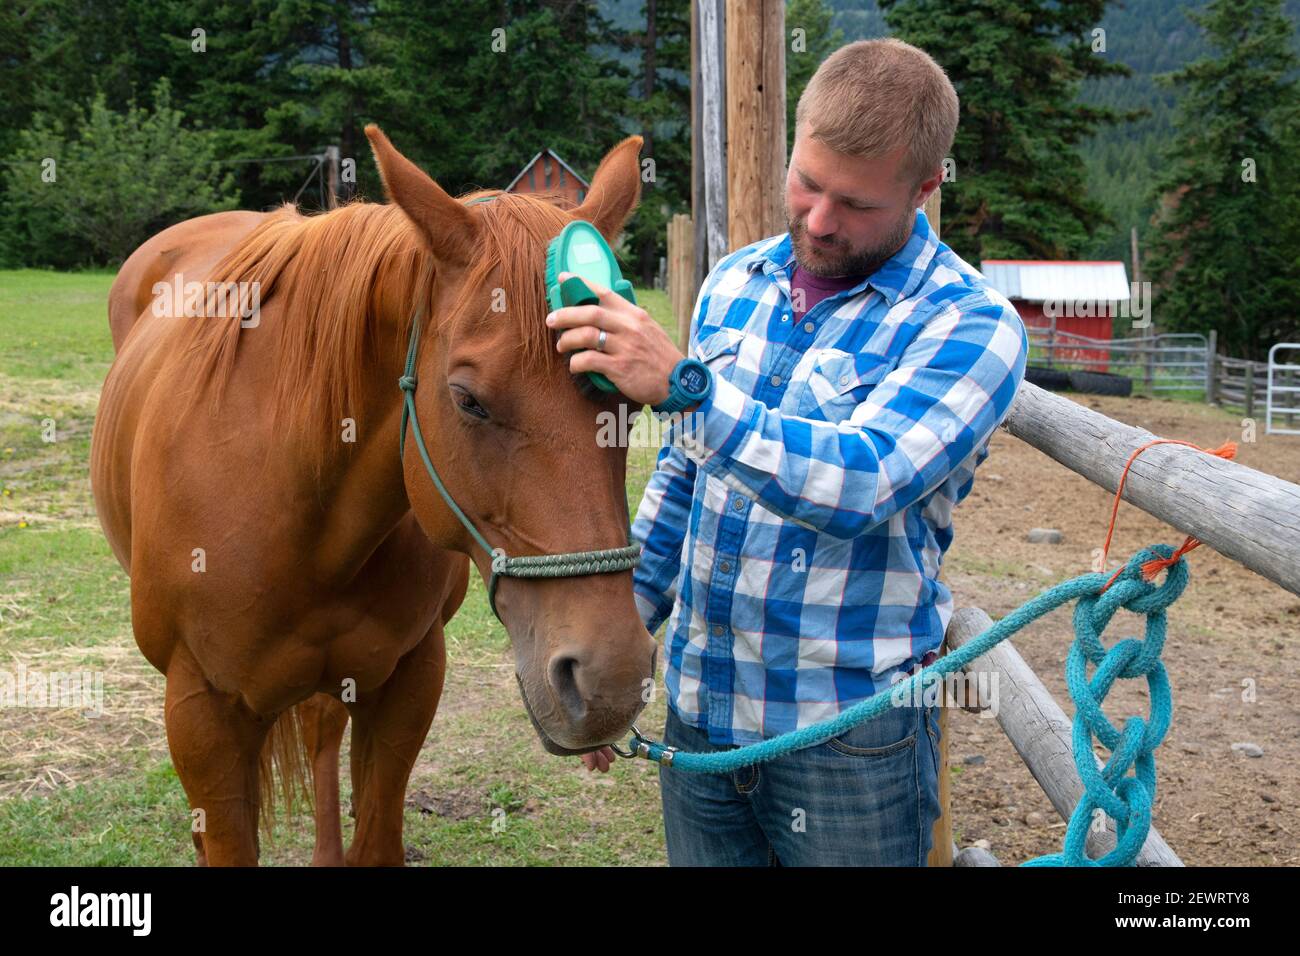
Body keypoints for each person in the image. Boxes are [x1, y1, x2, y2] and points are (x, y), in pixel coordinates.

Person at [546, 38, 1027, 866]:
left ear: (924, 189)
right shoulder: (733, 282)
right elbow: (682, 482)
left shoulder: (970, 326)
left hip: (846, 741)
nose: (817, 219)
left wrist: (688, 393)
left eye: (856, 204)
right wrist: (624, 659)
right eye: (806, 182)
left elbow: (861, 481)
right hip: (702, 716)